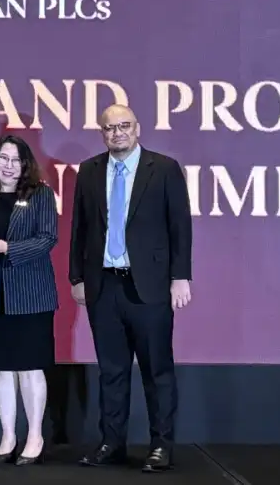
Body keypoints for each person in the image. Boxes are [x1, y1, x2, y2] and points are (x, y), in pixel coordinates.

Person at [69, 104, 193, 473]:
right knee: (111, 371)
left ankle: (161, 445)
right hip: (103, 285)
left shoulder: (164, 168)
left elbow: (180, 226)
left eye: (124, 125)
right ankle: (112, 443)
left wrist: (180, 276)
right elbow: (80, 228)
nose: (117, 132)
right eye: (110, 128)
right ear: (102, 133)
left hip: (149, 287)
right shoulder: (89, 171)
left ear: (137, 128)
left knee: (157, 370)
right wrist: (77, 277)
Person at [0, 134, 58, 465]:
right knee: (3, 369)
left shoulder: (41, 194)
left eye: (15, 160)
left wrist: (8, 247)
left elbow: (48, 238)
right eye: (3, 158)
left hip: (31, 295)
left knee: (30, 367)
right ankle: (8, 436)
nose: (8, 165)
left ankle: (34, 435)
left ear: (25, 165)